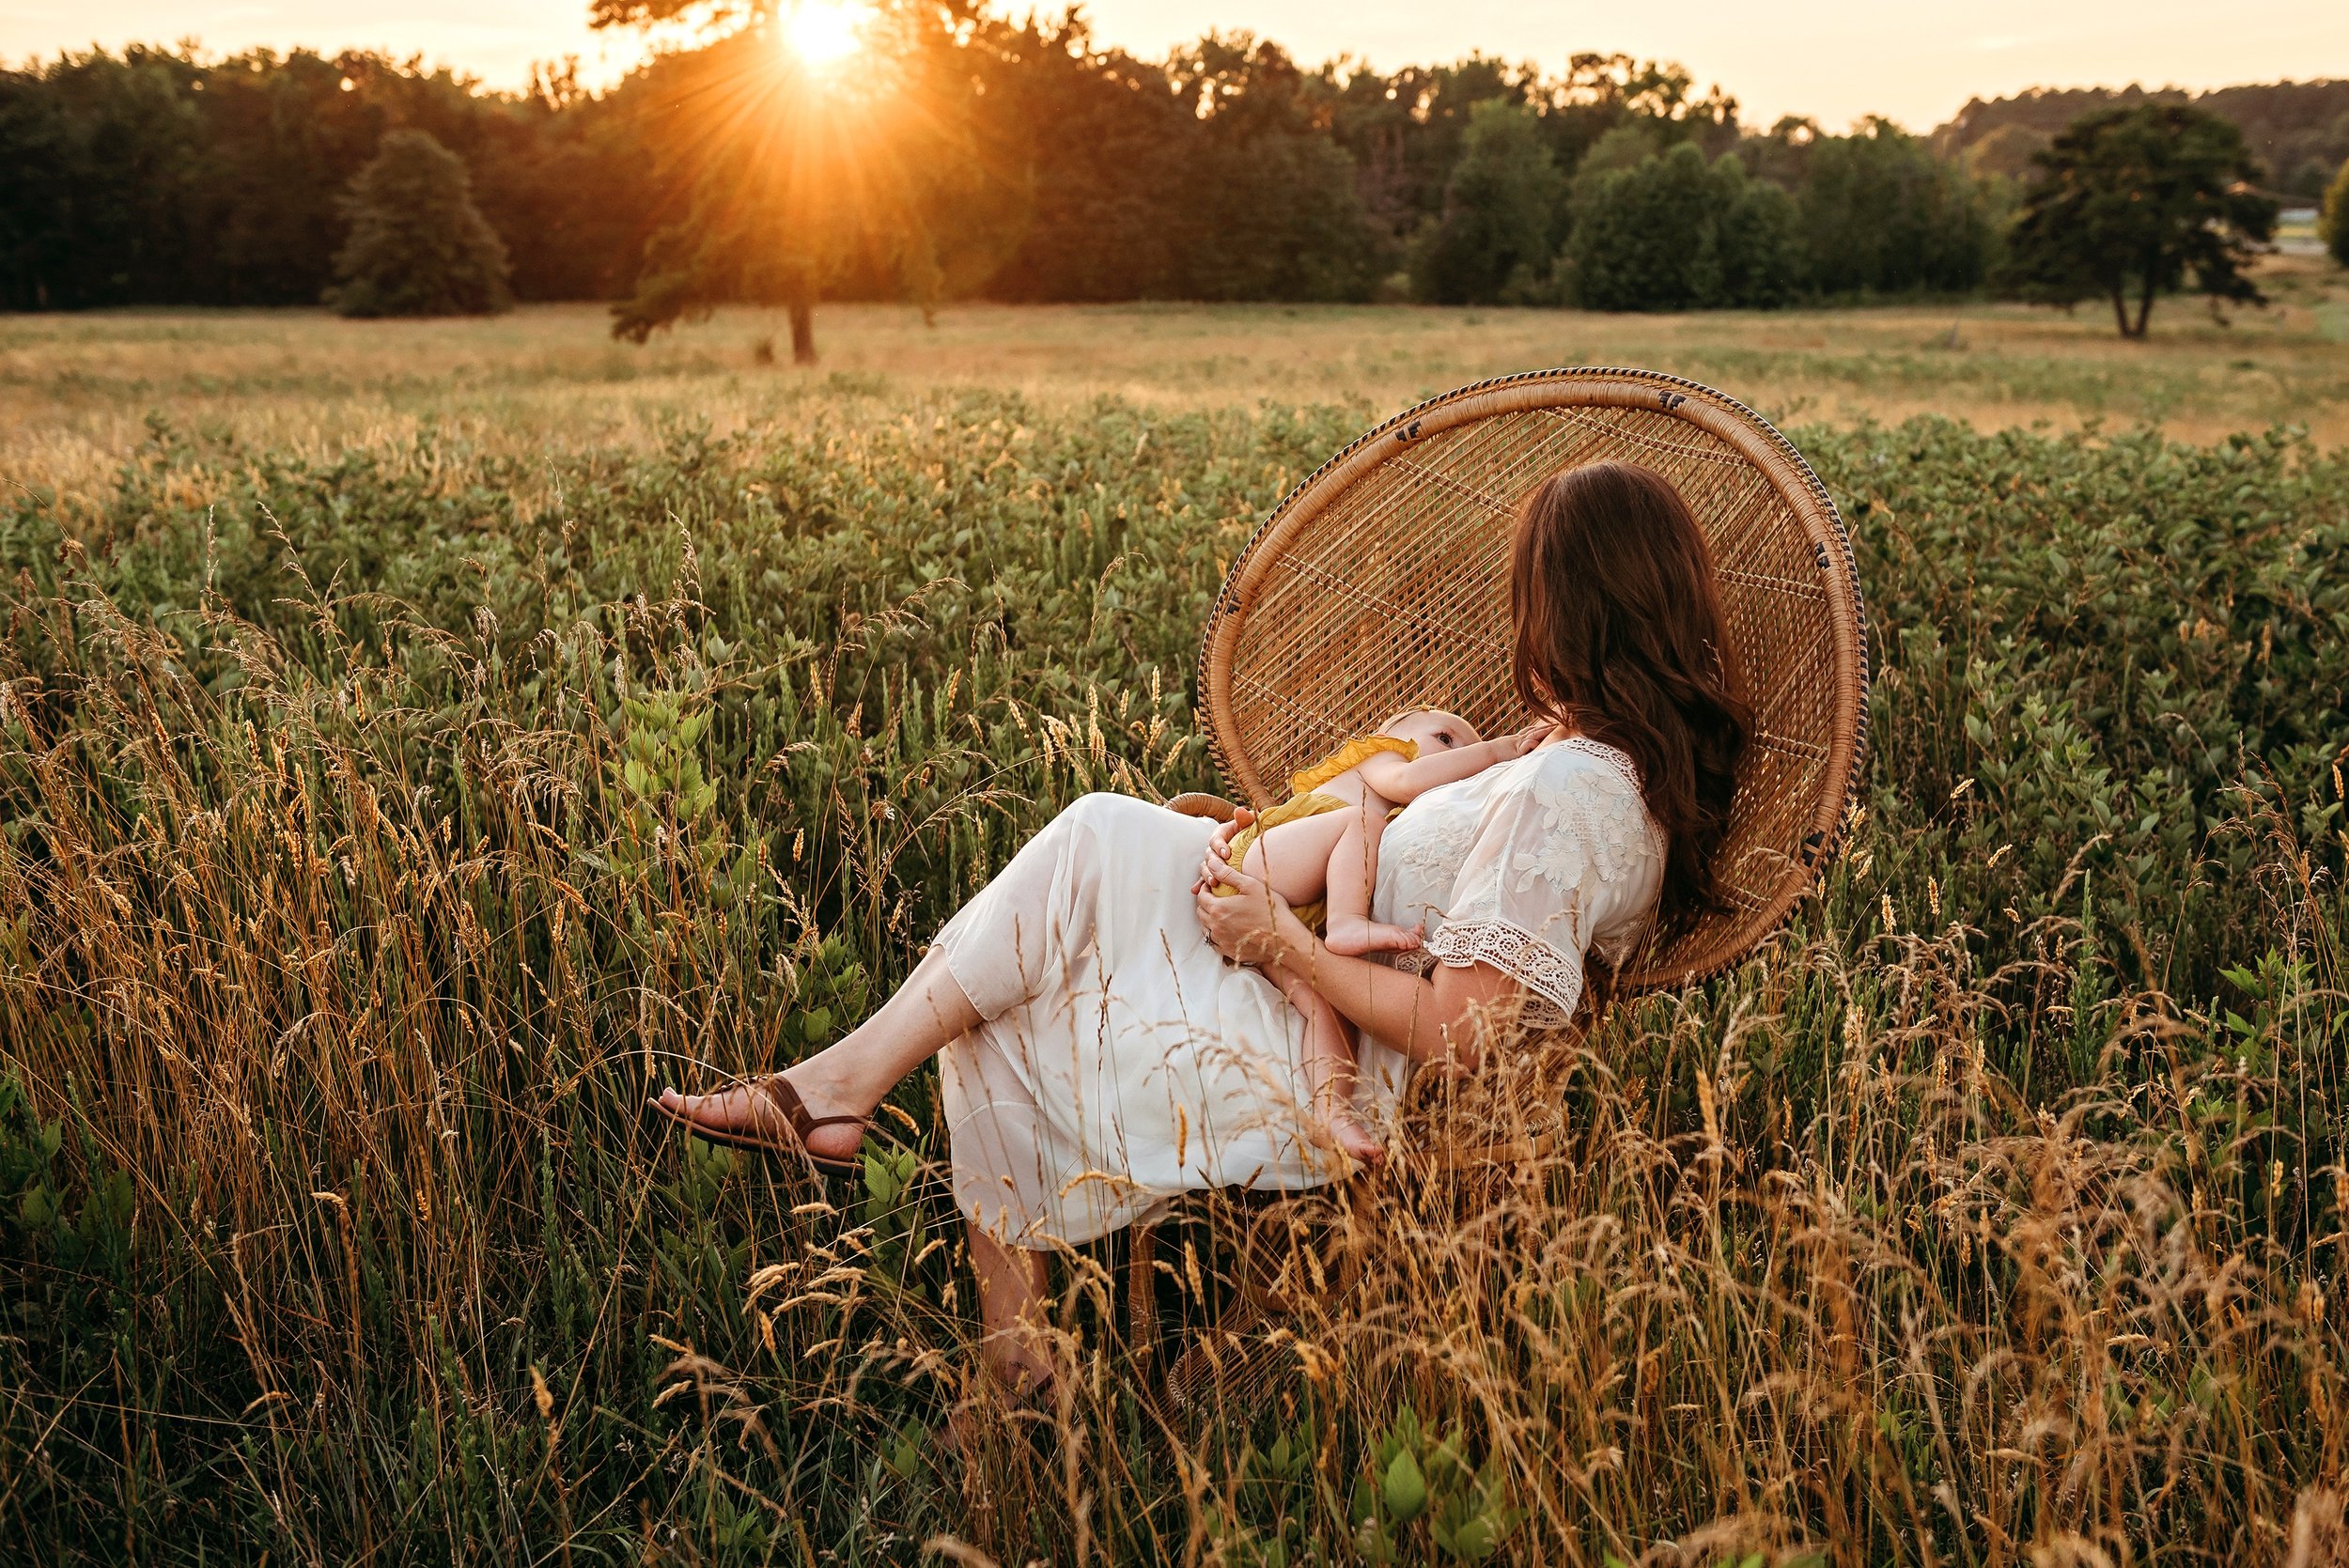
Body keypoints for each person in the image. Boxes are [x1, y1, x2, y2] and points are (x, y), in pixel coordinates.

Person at [653, 458, 1751, 1402]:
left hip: (1345, 1057)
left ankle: (997, 1345)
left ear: (1567, 607)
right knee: (1081, 857)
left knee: (1019, 972)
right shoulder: (1587, 761)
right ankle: (856, 1118)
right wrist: (1292, 854)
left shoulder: (1569, 793)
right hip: (1306, 972)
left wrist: (1285, 942)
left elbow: (1468, 1033)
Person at [1212, 707, 1548, 1162]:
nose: (1457, 757)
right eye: (1446, 738)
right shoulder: (1383, 759)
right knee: (1360, 821)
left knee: (1327, 1011)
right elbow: (1409, 781)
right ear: (1394, 729)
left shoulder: (1409, 820)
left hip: (1283, 915)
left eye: (1465, 750)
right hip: (1267, 865)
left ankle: (1332, 1115)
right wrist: (1496, 751)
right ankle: (1347, 925)